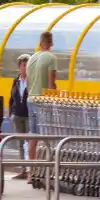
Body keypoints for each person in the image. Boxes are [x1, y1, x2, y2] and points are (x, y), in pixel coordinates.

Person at [25, 31, 57, 165]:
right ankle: (46, 167)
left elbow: (28, 82)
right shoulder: (51, 58)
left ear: (40, 43)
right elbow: (51, 84)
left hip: (31, 99)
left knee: (33, 135)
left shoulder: (31, 58)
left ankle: (31, 170)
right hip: (43, 100)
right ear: (51, 43)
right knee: (46, 134)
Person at [7, 54, 31, 179]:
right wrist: (11, 112)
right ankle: (23, 169)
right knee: (20, 144)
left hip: (28, 115)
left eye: (27, 65)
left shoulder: (31, 80)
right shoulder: (16, 81)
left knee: (30, 142)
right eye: (23, 65)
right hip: (17, 115)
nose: (25, 68)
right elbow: (12, 98)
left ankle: (31, 169)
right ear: (19, 67)